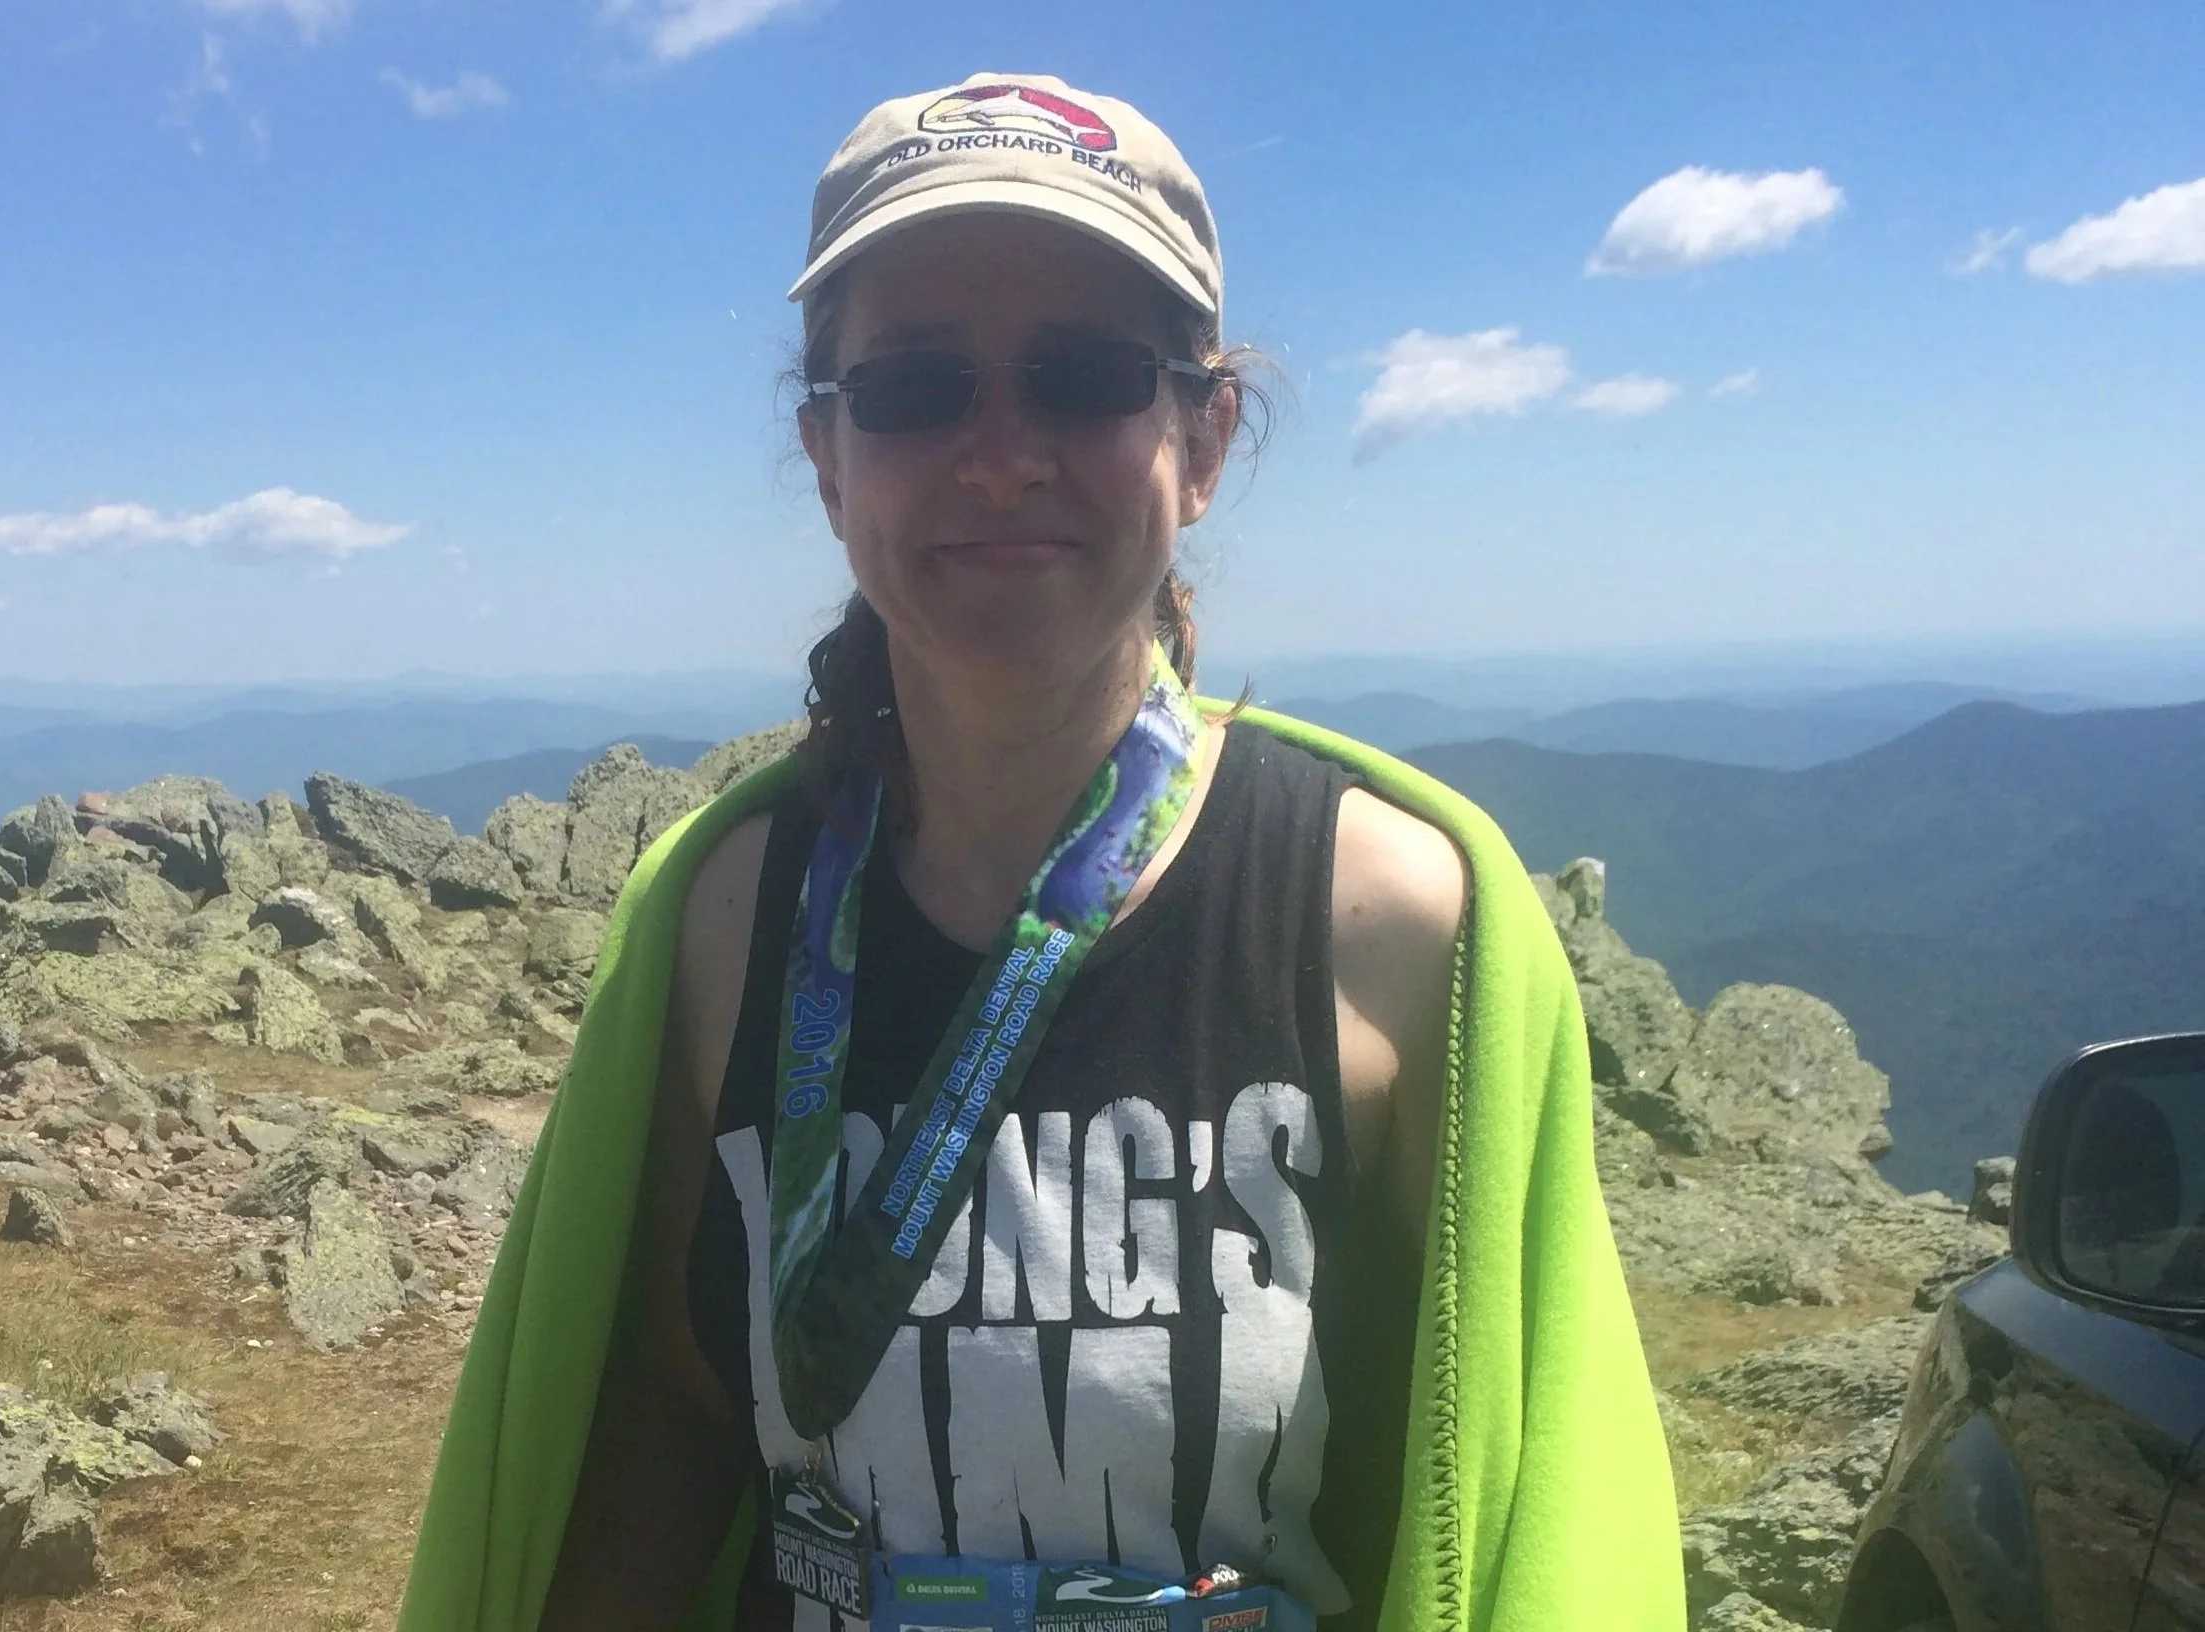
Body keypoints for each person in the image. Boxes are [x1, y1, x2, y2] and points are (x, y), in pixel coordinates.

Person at [399, 72, 1683, 1632]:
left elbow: (1495, 1495)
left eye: (1082, 378)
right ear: (826, 455)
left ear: (1202, 438)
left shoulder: (1390, 923)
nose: (999, 453)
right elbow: (672, 1410)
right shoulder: (726, 918)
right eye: (912, 387)